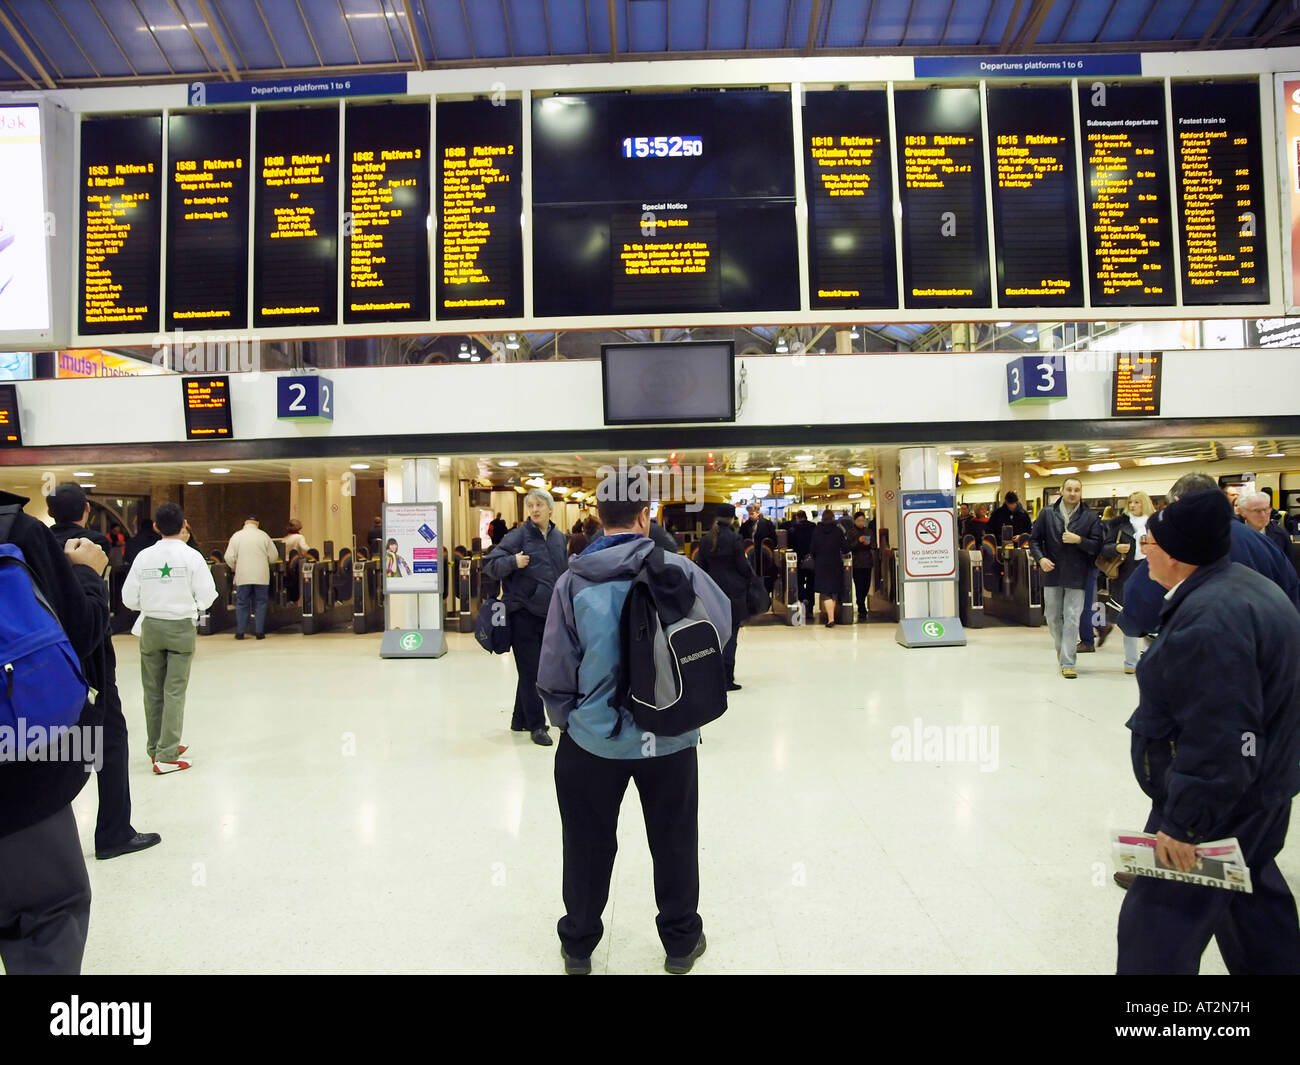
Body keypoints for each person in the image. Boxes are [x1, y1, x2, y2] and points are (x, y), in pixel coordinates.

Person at [537, 494, 732, 976]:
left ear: (599, 520)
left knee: (586, 842)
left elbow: (555, 667)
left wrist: (571, 720)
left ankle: (580, 944)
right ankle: (681, 942)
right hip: (669, 737)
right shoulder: (678, 571)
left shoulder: (572, 581)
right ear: (645, 517)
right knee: (674, 839)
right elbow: (721, 624)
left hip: (593, 740)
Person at [1115, 489, 1300, 974]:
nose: (1142, 551)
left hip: (1222, 802)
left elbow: (1223, 732)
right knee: (1250, 903)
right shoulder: (1241, 587)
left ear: (1173, 554)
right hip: (1261, 787)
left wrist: (1185, 825)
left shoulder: (1211, 621)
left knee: (1156, 923)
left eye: (1148, 543)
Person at [0, 489, 110, 974]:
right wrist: (89, 575)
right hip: (19, 779)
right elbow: (81, 633)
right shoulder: (17, 532)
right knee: (47, 915)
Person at [46, 484, 160, 860]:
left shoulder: (39, 545)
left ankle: (47, 839)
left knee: (54, 744)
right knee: (110, 741)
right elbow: (94, 607)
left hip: (50, 657)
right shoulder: (94, 544)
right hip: (93, 660)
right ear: (85, 511)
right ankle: (114, 831)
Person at [1119, 474, 1300, 638]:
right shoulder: (1264, 543)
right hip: (1268, 652)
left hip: (1205, 650)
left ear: (1178, 501)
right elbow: (1291, 593)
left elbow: (1142, 605)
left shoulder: (1181, 544)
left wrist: (1130, 623)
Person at [121, 503, 218, 774]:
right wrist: (192, 605)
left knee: (152, 690)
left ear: (155, 526)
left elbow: (128, 598)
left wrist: (151, 603)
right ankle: (167, 753)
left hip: (151, 626)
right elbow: (208, 594)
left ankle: (156, 747)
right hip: (180, 627)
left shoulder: (143, 557)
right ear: (184, 524)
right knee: (174, 691)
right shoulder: (192, 557)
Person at [482, 489, 569, 746]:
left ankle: (519, 719)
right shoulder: (518, 537)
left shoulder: (558, 538)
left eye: (539, 505)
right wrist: (512, 561)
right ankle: (537, 725)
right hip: (523, 613)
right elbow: (490, 565)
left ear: (550, 509)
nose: (534, 509)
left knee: (534, 670)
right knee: (533, 672)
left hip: (549, 614)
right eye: (530, 505)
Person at [1029, 477, 1103, 678]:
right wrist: (1041, 558)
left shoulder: (1090, 517)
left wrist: (1079, 540)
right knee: (1052, 617)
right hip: (1052, 572)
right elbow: (1034, 540)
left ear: (1081, 492)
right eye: (1069, 489)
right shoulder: (1047, 514)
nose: (1072, 493)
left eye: (1077, 490)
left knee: (1071, 618)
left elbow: (1097, 546)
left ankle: (1068, 662)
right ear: (1061, 491)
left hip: (1078, 575)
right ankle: (1063, 649)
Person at [692, 503, 754, 691]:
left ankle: (713, 676)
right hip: (733, 593)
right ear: (733, 518)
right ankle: (728, 678)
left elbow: (700, 567)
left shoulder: (705, 540)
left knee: (714, 635)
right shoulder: (735, 539)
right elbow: (743, 567)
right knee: (731, 635)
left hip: (711, 592)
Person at [1097, 492, 1152, 675]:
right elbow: (1104, 547)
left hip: (1151, 572)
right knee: (1128, 616)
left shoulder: (1155, 524)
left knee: (1151, 617)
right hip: (1127, 574)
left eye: (1137, 502)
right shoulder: (1120, 524)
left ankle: (1148, 656)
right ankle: (1130, 661)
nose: (1133, 505)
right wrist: (1116, 548)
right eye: (1131, 502)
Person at [224, 516, 281, 640]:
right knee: (261, 602)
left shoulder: (236, 536)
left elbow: (228, 557)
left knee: (242, 602)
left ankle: (240, 632)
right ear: (257, 524)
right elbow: (274, 556)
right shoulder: (264, 536)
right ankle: (259, 632)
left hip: (243, 575)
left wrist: (236, 566)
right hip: (261, 576)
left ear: (245, 523)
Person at [811, 508, 848, 627]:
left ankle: (830, 618)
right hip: (835, 563)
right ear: (833, 518)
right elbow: (845, 547)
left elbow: (812, 549)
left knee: (825, 592)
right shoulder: (838, 531)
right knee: (834, 591)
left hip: (821, 564)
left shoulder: (817, 531)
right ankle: (832, 617)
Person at [1239, 491, 1293, 562]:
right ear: (1243, 512)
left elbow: (1289, 566)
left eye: (1266, 509)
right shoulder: (1234, 534)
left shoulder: (1281, 534)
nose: (1263, 515)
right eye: (1257, 511)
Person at [848, 511, 874, 621]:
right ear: (854, 521)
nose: (861, 523)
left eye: (863, 520)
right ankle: (861, 607)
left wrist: (869, 543)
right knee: (859, 585)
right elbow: (849, 546)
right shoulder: (851, 532)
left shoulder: (869, 531)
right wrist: (858, 541)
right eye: (859, 521)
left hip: (867, 562)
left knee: (866, 585)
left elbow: (873, 544)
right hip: (857, 563)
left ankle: (861, 601)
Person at [787, 509, 814, 608]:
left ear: (797, 518)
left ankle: (802, 599)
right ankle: (810, 605)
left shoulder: (793, 529)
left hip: (797, 560)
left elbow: (789, 545)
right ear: (806, 517)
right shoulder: (813, 527)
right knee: (811, 582)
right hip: (811, 559)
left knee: (799, 581)